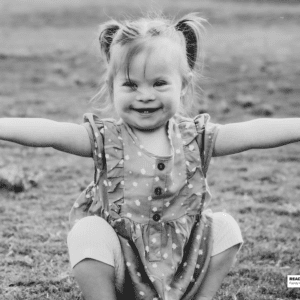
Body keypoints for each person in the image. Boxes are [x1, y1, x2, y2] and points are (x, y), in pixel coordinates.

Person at [1, 12, 299, 300]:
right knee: (87, 233)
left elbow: (253, 132)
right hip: (124, 268)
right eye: (131, 84)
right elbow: (51, 133)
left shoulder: (196, 137)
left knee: (225, 227)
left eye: (159, 83)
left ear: (183, 85)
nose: (145, 95)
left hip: (185, 265)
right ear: (112, 87)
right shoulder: (106, 139)